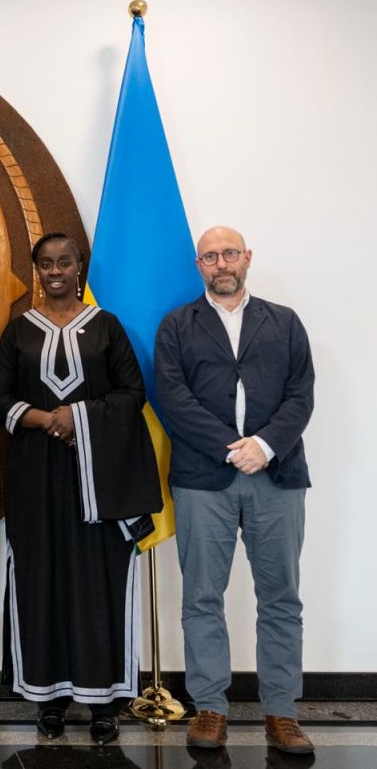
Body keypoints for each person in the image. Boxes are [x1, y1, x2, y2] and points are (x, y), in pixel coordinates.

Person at [0, 233, 162, 746]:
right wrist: (45, 418)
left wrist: (78, 416)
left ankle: (104, 702)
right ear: (36, 270)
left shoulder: (106, 326)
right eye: (46, 263)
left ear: (79, 266)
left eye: (64, 262)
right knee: (40, 581)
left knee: (97, 582)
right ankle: (49, 699)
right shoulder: (20, 329)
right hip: (35, 477)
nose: (56, 271)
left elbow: (132, 393)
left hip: (99, 479)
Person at [155, 226, 315, 755]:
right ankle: (209, 709)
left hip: (277, 475)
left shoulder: (285, 322)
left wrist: (264, 446)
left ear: (247, 257)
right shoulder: (177, 325)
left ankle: (282, 713)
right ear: (198, 265)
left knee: (281, 598)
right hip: (204, 480)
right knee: (202, 597)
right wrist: (232, 448)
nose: (221, 263)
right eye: (210, 257)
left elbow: (301, 394)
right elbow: (173, 398)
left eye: (229, 254)